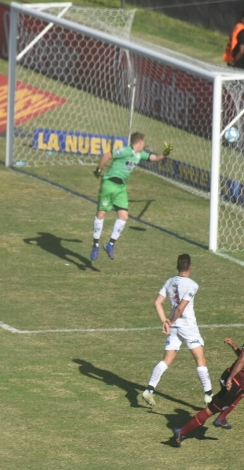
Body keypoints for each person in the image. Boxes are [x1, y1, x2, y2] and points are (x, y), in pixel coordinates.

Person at [174, 328, 244, 447]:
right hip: (233, 383)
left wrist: (233, 348)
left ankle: (221, 418)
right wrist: (230, 379)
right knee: (211, 410)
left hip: (231, 379)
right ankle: (182, 432)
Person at [141, 254, 213, 407]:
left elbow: (157, 303)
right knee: (200, 359)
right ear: (190, 267)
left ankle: (149, 389)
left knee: (166, 360)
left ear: (177, 267)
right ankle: (209, 395)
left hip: (173, 328)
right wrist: (171, 321)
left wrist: (165, 322)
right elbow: (181, 307)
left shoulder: (169, 282)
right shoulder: (193, 285)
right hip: (187, 327)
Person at [90, 132, 167, 261]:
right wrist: (99, 170)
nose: (145, 144)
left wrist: (165, 153)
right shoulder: (125, 151)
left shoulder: (139, 155)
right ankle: (96, 245)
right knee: (102, 214)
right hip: (109, 184)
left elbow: (156, 158)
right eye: (144, 142)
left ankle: (110, 245)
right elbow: (107, 155)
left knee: (124, 216)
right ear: (140, 142)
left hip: (121, 189)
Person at [211, 337, 244, 429]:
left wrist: (233, 345)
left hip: (229, 378)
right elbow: (242, 359)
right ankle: (220, 418)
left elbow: (242, 357)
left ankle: (222, 417)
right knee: (214, 407)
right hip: (229, 378)